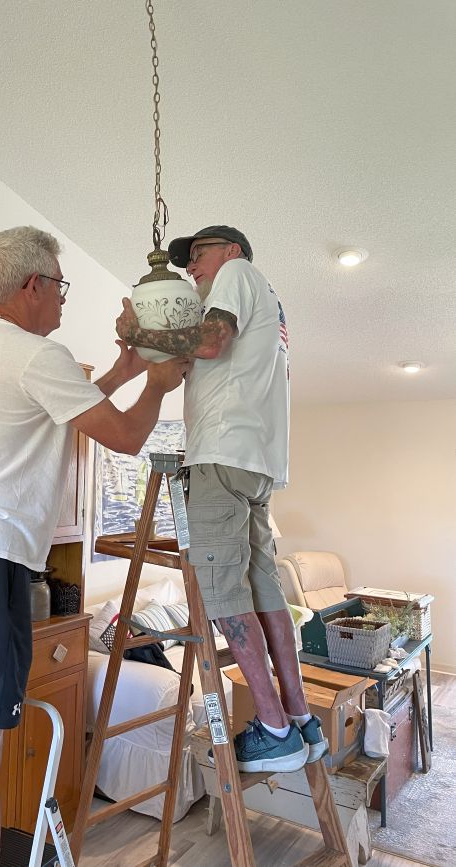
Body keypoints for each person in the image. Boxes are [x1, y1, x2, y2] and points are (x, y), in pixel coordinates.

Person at [0, 225, 190, 867]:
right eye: (60, 286)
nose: (64, 301)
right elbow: (127, 438)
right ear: (32, 286)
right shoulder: (33, 354)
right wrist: (159, 382)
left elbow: (58, 414)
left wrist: (125, 369)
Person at [115, 225, 328, 773]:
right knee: (263, 590)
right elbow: (197, 355)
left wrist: (145, 328)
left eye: (199, 257)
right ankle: (301, 719)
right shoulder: (270, 307)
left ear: (231, 252)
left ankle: (274, 730)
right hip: (256, 464)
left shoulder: (237, 275)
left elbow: (210, 342)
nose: (193, 270)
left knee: (223, 594)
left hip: (221, 455)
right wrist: (145, 345)